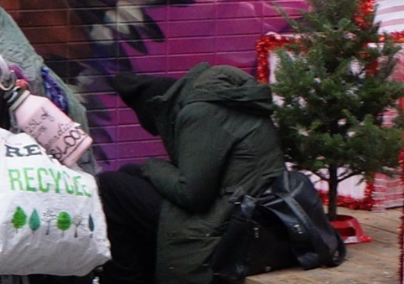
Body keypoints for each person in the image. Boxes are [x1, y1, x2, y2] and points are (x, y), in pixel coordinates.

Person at [98, 62, 286, 284]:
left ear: (159, 113)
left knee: (109, 186)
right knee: (129, 174)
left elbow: (192, 195)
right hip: (247, 206)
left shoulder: (198, 113)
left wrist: (152, 166)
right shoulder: (217, 99)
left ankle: (126, 278)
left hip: (232, 221)